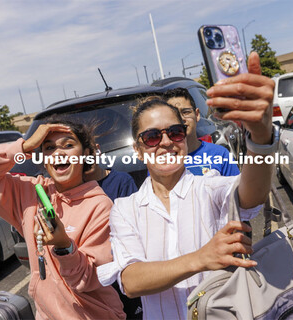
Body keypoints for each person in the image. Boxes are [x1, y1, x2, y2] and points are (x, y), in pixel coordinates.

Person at [106, 52, 275, 319]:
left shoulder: (210, 188)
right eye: (151, 136)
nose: (165, 142)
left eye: (174, 132)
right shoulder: (125, 209)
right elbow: (131, 281)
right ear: (138, 150)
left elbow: (253, 193)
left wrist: (261, 136)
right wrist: (201, 258)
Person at [0, 117, 126, 320]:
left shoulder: (100, 206)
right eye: (49, 148)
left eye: (68, 145)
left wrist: (64, 247)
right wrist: (24, 146)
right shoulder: (30, 192)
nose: (58, 153)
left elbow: (90, 279)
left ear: (84, 155)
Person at [84, 145, 143, 319]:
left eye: (89, 152)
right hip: (93, 284)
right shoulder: (73, 192)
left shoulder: (121, 181)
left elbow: (135, 230)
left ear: (96, 149)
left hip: (123, 277)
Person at [164, 87, 240, 176]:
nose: (181, 119)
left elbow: (235, 188)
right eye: (175, 114)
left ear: (197, 115)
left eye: (186, 112)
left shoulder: (220, 154)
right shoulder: (161, 162)